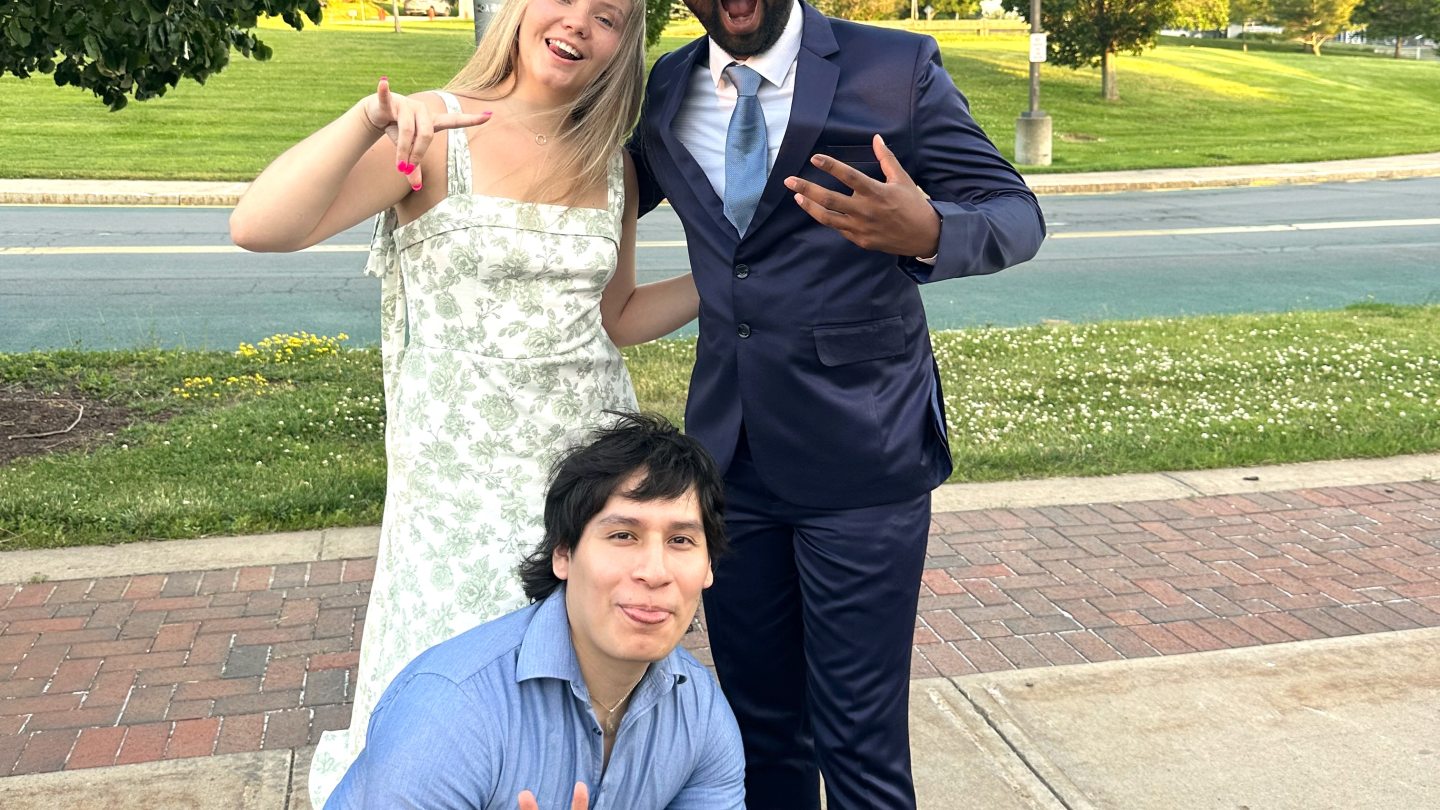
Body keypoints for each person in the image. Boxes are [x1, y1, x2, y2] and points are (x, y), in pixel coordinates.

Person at [229, 0, 699, 803]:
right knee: (453, 676)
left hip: (587, 468)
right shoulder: (435, 132)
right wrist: (364, 121)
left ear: (626, 46)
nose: (580, 23)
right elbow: (261, 226)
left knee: (582, 669)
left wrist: (732, 283)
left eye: (611, 16)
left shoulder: (611, 163)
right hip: (459, 477)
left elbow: (613, 318)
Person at [626, 1, 1047, 807]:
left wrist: (927, 229)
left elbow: (1015, 214)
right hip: (730, 458)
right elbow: (590, 180)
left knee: (858, 737)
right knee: (758, 732)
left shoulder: (895, 68)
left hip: (864, 453)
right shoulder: (671, 85)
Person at [325, 412, 744, 809]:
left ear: (708, 567)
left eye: (681, 541)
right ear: (563, 553)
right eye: (622, 535)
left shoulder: (700, 714)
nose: (655, 572)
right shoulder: (451, 711)